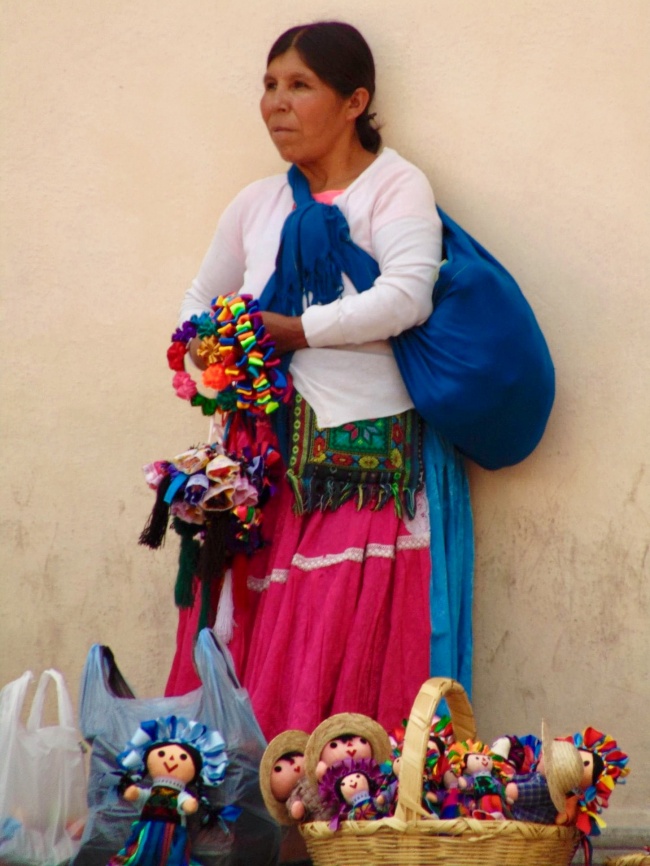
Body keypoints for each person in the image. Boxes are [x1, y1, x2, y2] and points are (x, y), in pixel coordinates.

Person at [165, 21, 474, 742]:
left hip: (360, 459)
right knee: (258, 624)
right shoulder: (256, 204)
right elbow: (198, 298)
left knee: (337, 629)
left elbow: (406, 296)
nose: (276, 103)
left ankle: (336, 792)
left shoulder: (395, 186)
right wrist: (205, 344)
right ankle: (253, 790)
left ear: (353, 101)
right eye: (270, 86)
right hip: (261, 466)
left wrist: (296, 330)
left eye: (299, 85)